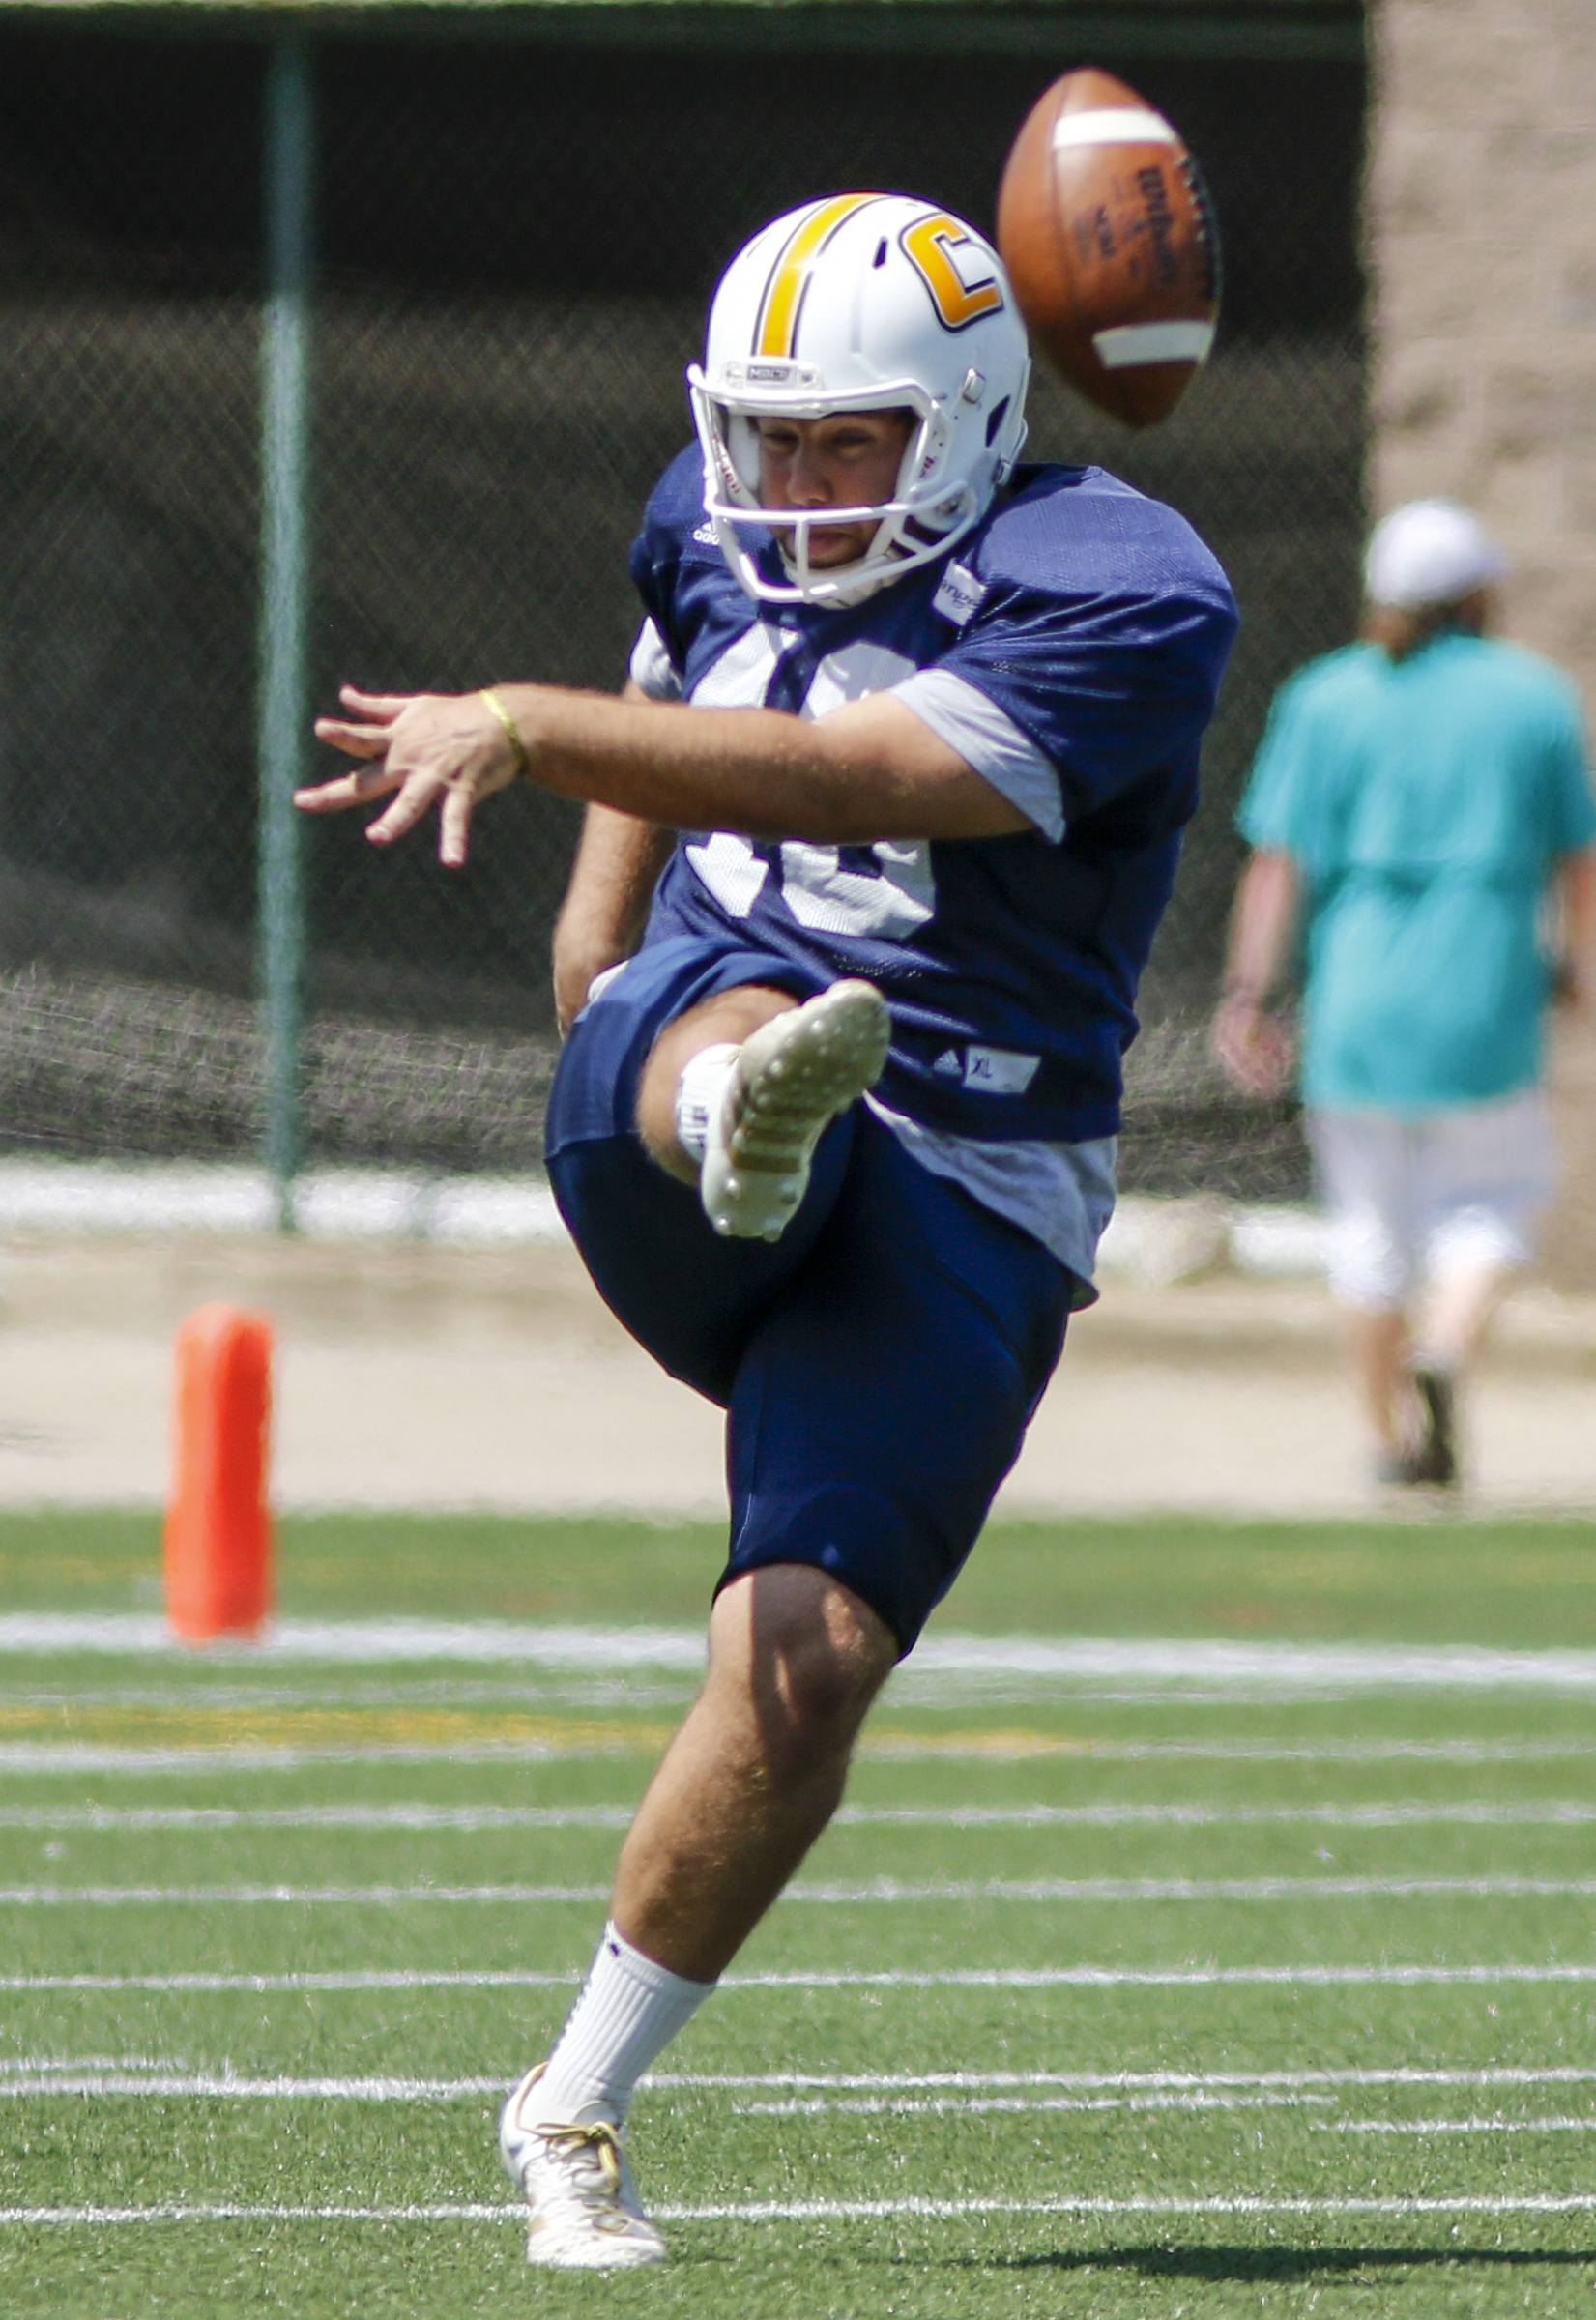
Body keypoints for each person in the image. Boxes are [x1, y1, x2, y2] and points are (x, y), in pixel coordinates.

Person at [298, 192, 1236, 2268]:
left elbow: (842, 772)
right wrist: (586, 929)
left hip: (976, 1177)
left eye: (848, 448)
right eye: (767, 441)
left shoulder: (1122, 590)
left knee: (803, 1668)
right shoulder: (705, 512)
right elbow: (684, 663)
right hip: (671, 1087)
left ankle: (570, 2109)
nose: (792, 491)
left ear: (974, 425)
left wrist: (527, 731)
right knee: (739, 1012)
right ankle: (731, 1102)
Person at [1213, 499, 1596, 1488]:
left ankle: (1385, 1440)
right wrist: (1570, 964)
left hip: (1357, 995)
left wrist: (1249, 991)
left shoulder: (1323, 695)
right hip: (1484, 988)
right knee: (1496, 1197)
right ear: (1478, 595)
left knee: (1368, 1228)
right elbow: (1576, 862)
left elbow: (1275, 864)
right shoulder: (1532, 698)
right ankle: (1447, 1347)